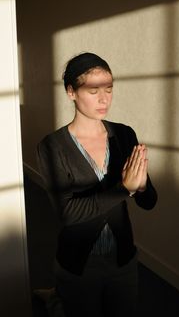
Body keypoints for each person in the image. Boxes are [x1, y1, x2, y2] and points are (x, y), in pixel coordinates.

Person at [37, 52, 158, 317]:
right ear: (71, 92)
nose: (104, 99)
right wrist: (122, 189)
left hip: (123, 259)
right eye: (93, 91)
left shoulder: (124, 134)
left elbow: (149, 202)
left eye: (109, 89)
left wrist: (142, 186)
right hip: (79, 264)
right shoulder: (52, 147)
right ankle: (56, 300)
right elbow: (67, 214)